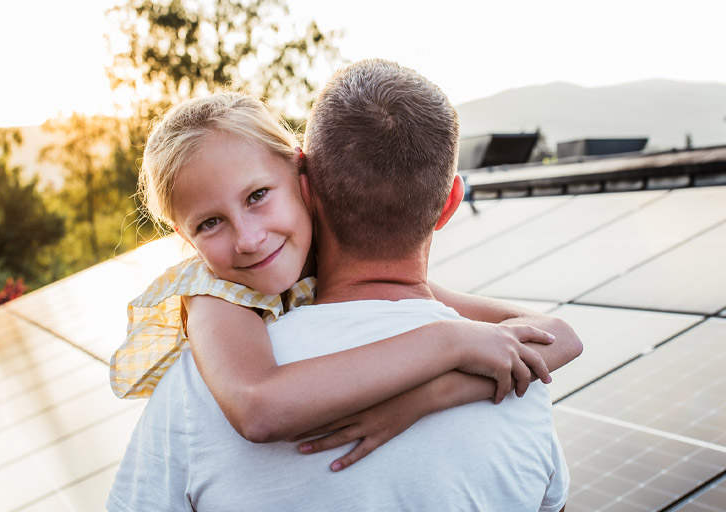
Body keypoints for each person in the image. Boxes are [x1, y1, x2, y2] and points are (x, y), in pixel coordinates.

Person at [108, 59, 581, 511]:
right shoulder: (212, 299)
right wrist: (448, 339)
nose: (249, 239)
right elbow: (258, 408)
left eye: (257, 196)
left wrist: (425, 398)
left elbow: (560, 336)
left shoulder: (190, 396)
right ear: (450, 202)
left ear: (302, 178)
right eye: (209, 223)